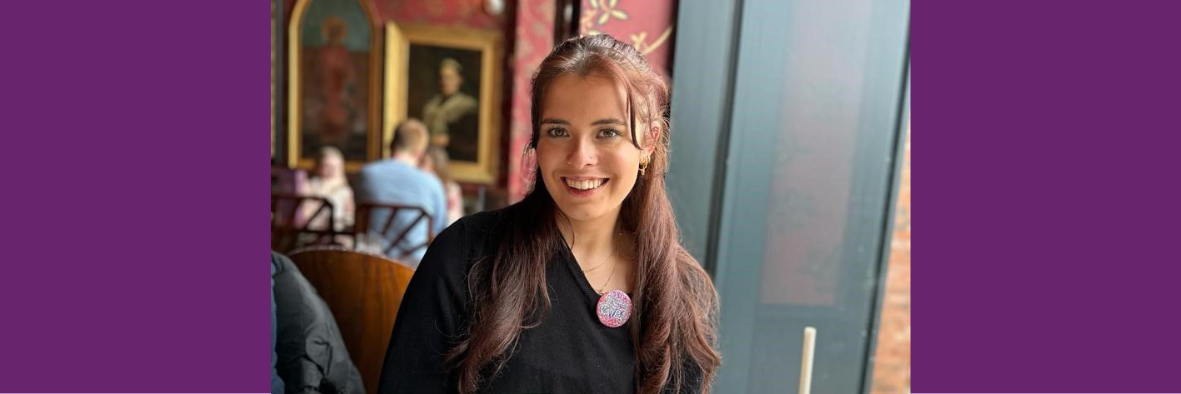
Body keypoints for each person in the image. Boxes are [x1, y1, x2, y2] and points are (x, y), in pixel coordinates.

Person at [378, 35, 720, 394]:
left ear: (648, 143)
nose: (580, 157)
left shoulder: (681, 290)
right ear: (537, 142)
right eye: (558, 131)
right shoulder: (466, 256)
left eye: (607, 132)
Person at [354, 119, 448, 267]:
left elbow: (359, 218)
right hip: (413, 271)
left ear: (391, 144)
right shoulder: (432, 183)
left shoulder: (365, 174)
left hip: (370, 263)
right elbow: (439, 229)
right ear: (420, 153)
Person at [422, 58, 479, 161]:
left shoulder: (468, 106)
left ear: (459, 79)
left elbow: (471, 141)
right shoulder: (430, 106)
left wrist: (449, 141)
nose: (445, 82)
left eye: (450, 78)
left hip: (456, 156)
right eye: (442, 78)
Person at [299, 146, 354, 233]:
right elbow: (304, 214)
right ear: (317, 167)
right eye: (327, 166)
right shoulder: (310, 185)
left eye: (336, 167)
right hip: (312, 232)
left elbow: (349, 217)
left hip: (337, 234)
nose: (332, 170)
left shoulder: (345, 190)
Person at [421, 146, 465, 226]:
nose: (419, 166)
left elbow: (451, 223)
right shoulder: (420, 186)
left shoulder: (450, 189)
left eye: (423, 162)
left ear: (436, 165)